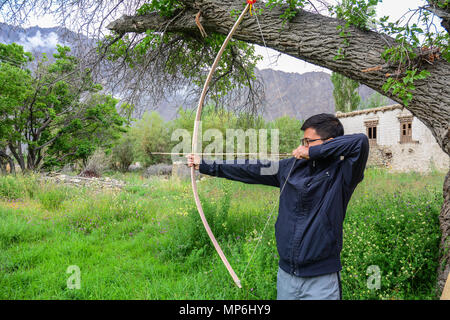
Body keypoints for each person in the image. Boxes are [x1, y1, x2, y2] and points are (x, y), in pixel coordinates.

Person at [187, 113, 369, 300]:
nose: (302, 146)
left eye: (308, 141)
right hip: (286, 277)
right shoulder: (289, 168)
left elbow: (360, 142)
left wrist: (312, 152)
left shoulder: (344, 174)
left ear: (328, 142)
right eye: (303, 142)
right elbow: (250, 168)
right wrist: (205, 165)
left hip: (321, 281)